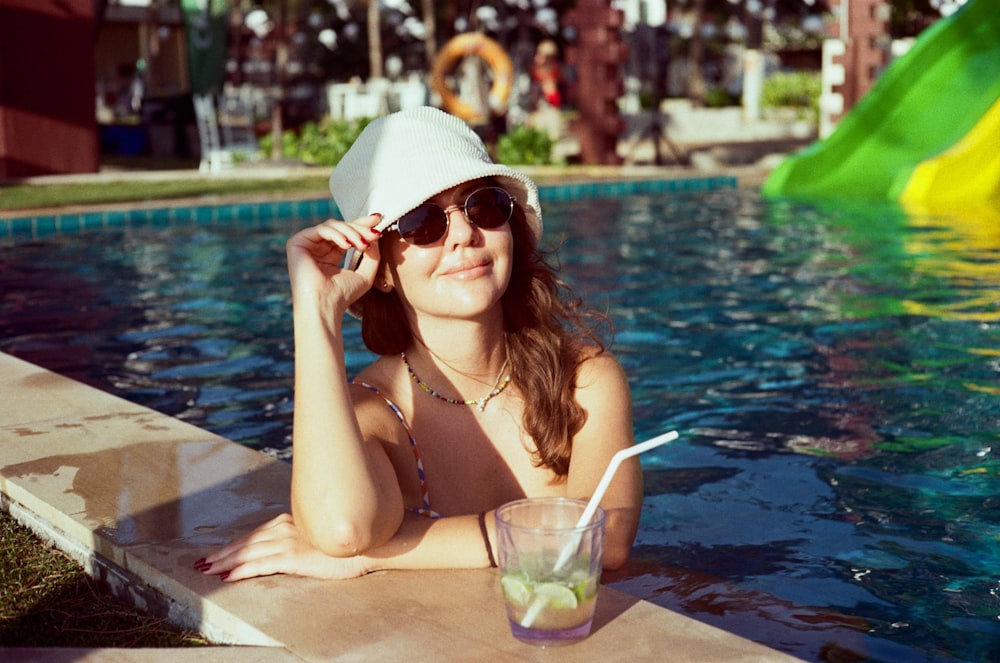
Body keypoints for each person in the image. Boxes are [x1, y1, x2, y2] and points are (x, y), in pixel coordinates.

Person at [195, 106, 642, 582]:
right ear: (381, 267)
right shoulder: (375, 415)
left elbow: (606, 538)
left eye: (484, 206)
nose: (465, 235)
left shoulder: (582, 379)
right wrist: (315, 315)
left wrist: (380, 553)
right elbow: (342, 529)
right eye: (422, 223)